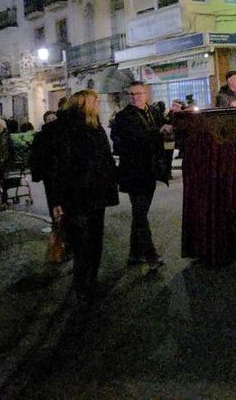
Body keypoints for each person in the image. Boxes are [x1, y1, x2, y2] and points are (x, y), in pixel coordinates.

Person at [48, 89, 120, 305]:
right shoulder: (67, 129)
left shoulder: (96, 126)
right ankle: (82, 286)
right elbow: (58, 167)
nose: (99, 103)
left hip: (97, 195)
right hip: (76, 197)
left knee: (96, 241)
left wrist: (110, 179)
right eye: (95, 100)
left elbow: (104, 159)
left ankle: (92, 281)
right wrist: (57, 201)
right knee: (81, 244)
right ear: (84, 103)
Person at [112, 81, 170, 267]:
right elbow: (130, 139)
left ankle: (134, 254)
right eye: (132, 94)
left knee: (140, 213)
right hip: (134, 171)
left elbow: (164, 130)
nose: (135, 97)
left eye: (138, 93)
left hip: (151, 170)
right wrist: (157, 132)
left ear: (146, 94)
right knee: (140, 213)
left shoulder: (153, 112)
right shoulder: (123, 116)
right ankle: (150, 255)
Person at [29, 109, 66, 221]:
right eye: (49, 120)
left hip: (63, 172)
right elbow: (35, 155)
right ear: (45, 122)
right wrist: (37, 173)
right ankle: (55, 221)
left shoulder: (64, 134)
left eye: (53, 119)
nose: (51, 122)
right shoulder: (40, 136)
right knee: (52, 198)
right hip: (49, 173)